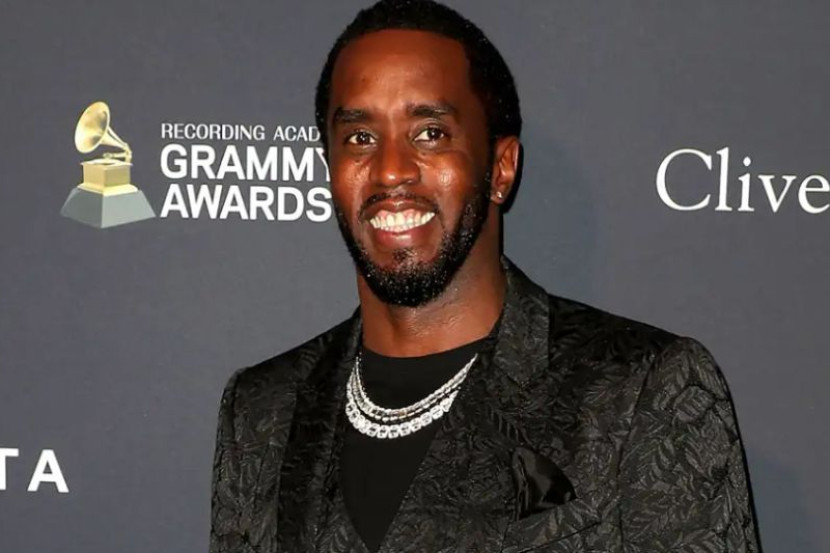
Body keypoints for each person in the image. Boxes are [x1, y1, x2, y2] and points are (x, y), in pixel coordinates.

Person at [209, 1, 762, 552]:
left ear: (500, 168)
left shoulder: (642, 389)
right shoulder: (263, 408)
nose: (391, 169)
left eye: (430, 133)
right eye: (359, 137)